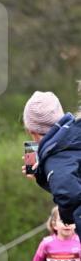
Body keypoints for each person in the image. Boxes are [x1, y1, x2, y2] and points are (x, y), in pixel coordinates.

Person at [22, 91, 81, 239]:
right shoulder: (74, 135)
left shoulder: (56, 158)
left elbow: (68, 194)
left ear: (32, 131)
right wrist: (44, 175)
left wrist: (67, 218)